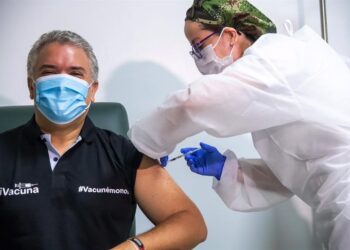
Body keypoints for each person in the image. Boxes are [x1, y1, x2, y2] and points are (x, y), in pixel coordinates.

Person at [128, 0, 350, 249]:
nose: (197, 58)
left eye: (199, 46)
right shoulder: (281, 70)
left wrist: (144, 144)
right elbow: (297, 171)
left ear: (231, 35)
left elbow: (194, 103)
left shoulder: (275, 59)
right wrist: (226, 169)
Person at [0, 30, 207, 250]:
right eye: (50, 72)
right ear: (32, 86)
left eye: (75, 74)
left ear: (92, 91)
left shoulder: (125, 153)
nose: (62, 84)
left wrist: (133, 247)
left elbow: (191, 224)